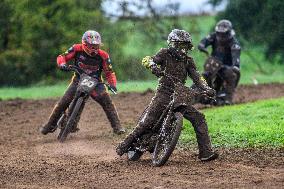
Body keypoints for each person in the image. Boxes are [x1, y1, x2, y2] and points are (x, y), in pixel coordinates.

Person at [116, 29, 218, 161]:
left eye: (185, 47)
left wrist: (206, 88)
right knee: (148, 121)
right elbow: (147, 59)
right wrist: (153, 66)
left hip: (180, 94)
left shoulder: (188, 61)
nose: (182, 50)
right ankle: (125, 144)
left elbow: (197, 77)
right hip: (164, 92)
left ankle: (206, 153)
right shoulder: (164, 53)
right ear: (172, 44)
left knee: (199, 118)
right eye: (180, 46)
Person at [40, 30, 125, 135]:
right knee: (64, 101)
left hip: (96, 83)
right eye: (91, 46)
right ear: (84, 43)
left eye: (96, 46)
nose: (94, 49)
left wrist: (113, 84)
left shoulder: (104, 55)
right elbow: (62, 57)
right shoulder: (76, 48)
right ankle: (50, 125)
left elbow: (109, 72)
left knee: (107, 102)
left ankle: (118, 127)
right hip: (78, 79)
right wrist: (62, 64)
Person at [198, 19, 241, 105]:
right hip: (214, 64)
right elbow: (203, 42)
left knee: (232, 75)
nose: (221, 36)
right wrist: (202, 47)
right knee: (204, 75)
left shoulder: (234, 43)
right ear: (217, 32)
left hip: (226, 66)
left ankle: (227, 98)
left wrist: (235, 66)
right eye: (219, 33)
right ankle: (202, 93)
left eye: (223, 34)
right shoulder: (213, 36)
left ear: (228, 33)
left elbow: (236, 57)